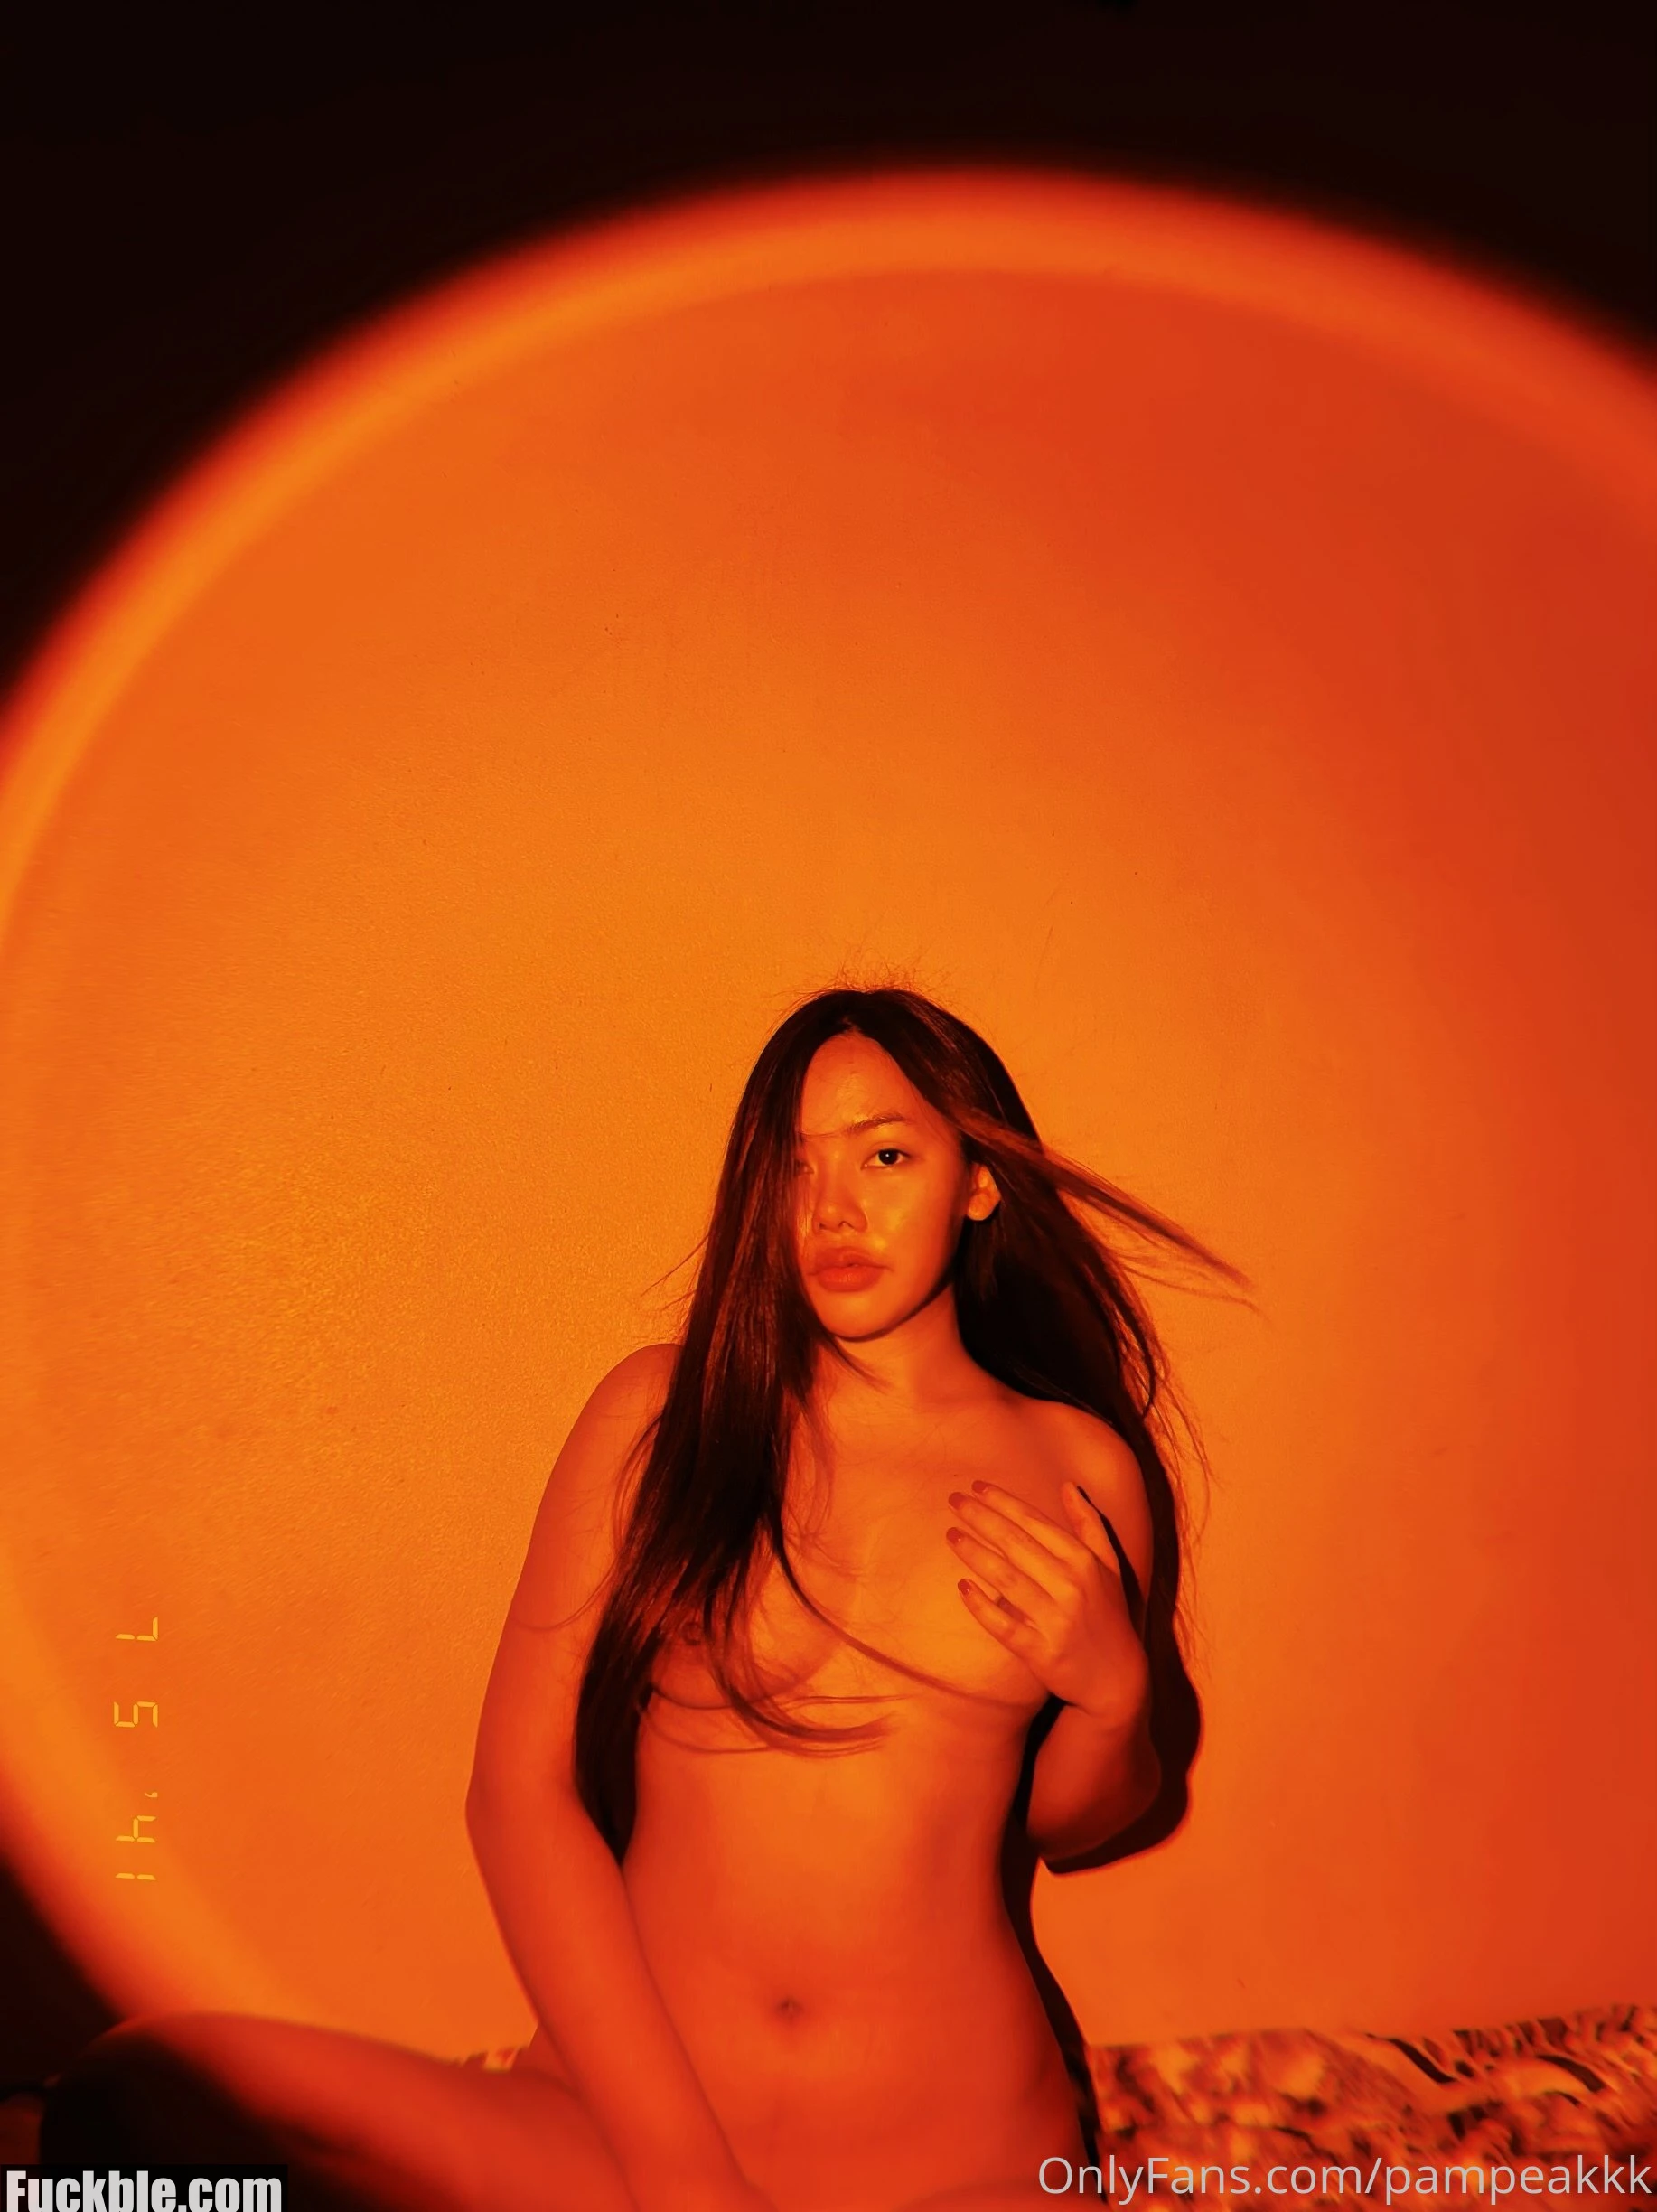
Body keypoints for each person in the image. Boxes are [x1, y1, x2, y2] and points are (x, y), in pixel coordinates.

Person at [45, 987, 1242, 2211]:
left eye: (885, 1156)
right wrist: (678, 2174)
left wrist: (1111, 1699)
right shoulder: (663, 1418)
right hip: (623, 2149)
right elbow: (518, 1796)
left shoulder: (1075, 1465)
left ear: (978, 1183)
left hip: (952, 2161)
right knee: (133, 2095)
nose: (833, 1209)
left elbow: (1068, 1826)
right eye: (792, 1168)